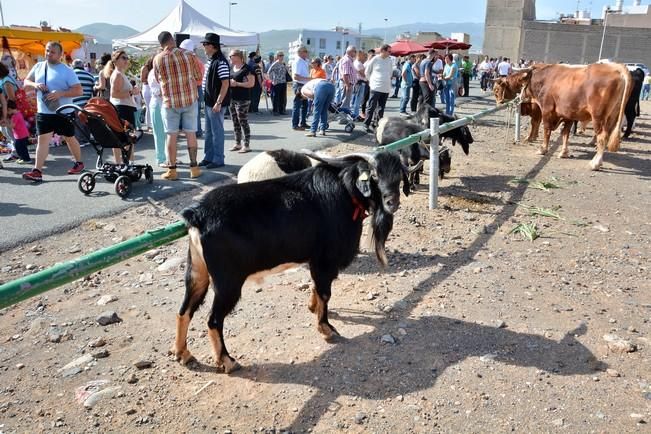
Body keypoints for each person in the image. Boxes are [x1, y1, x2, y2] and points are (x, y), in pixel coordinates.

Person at [21, 41, 84, 182]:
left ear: (60, 55)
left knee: (69, 138)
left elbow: (79, 90)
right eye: (47, 50)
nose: (48, 54)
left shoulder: (67, 70)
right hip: (44, 112)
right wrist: (34, 84)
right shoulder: (38, 66)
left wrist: (60, 93)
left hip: (63, 112)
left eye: (52, 52)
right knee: (42, 141)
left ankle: (79, 162)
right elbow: (26, 82)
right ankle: (37, 171)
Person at [153, 31, 204, 180]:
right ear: (173, 40)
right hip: (189, 99)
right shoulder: (189, 55)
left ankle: (172, 170)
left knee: (171, 135)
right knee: (191, 133)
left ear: (161, 44)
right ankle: (194, 168)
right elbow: (198, 76)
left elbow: (157, 79)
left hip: (170, 102)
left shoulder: (157, 59)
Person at [199, 32, 230, 169]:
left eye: (205, 44)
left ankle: (218, 159)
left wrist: (218, 102)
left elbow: (225, 84)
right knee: (209, 132)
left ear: (212, 46)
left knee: (216, 132)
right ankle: (209, 157)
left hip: (215, 103)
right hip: (209, 102)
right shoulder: (212, 60)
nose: (203, 47)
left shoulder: (220, 62)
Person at [109, 50, 139, 163]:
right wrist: (132, 92)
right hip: (122, 108)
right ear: (115, 61)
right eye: (123, 58)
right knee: (127, 137)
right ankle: (127, 163)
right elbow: (114, 94)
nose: (126, 60)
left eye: (127, 58)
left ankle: (122, 163)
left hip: (123, 107)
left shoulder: (120, 74)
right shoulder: (117, 74)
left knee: (122, 137)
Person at [228, 49, 254, 153]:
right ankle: (238, 143)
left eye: (231, 56)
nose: (230, 58)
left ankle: (246, 145)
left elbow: (251, 83)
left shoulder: (247, 68)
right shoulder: (231, 67)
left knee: (243, 121)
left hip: (243, 99)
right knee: (235, 121)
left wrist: (237, 84)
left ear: (238, 56)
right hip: (232, 98)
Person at [363, 44, 393, 133]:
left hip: (386, 87)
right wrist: (371, 82)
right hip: (375, 86)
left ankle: (377, 124)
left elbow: (390, 73)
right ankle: (366, 124)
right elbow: (367, 72)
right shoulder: (375, 59)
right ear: (383, 51)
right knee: (371, 106)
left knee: (381, 108)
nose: (390, 53)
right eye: (389, 51)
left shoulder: (389, 61)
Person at [180, 38, 205, 138]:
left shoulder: (193, 61)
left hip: (194, 88)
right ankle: (196, 130)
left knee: (194, 111)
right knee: (194, 111)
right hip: (195, 87)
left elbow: (198, 78)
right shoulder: (197, 60)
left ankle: (196, 130)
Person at [71, 58, 95, 147]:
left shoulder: (71, 75)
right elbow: (94, 90)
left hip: (75, 102)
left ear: (73, 66)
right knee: (86, 121)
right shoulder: (90, 75)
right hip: (88, 103)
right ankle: (87, 139)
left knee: (77, 122)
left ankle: (80, 141)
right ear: (82, 66)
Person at [147, 65, 167, 166]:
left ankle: (170, 157)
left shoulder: (166, 70)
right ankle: (161, 158)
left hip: (166, 105)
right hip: (157, 105)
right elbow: (157, 91)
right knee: (159, 133)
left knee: (168, 133)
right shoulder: (153, 73)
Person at [291, 46, 310, 131]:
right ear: (300, 52)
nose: (307, 53)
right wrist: (309, 79)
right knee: (297, 105)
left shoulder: (304, 61)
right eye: (305, 51)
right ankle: (295, 125)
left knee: (305, 105)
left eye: (306, 51)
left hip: (304, 85)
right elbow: (296, 76)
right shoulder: (298, 61)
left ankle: (303, 122)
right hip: (299, 85)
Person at [266, 51, 289, 115]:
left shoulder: (283, 63)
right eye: (280, 55)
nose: (281, 57)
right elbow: (269, 72)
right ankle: (275, 110)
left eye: (282, 55)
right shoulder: (274, 64)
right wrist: (272, 80)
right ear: (277, 56)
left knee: (282, 97)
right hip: (277, 82)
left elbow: (286, 72)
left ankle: (282, 110)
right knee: (276, 97)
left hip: (283, 82)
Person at [338, 46, 357, 111]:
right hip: (347, 83)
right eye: (355, 51)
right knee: (345, 103)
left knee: (346, 102)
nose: (355, 53)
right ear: (350, 52)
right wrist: (348, 85)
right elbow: (345, 74)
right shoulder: (347, 60)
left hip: (347, 83)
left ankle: (344, 118)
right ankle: (342, 118)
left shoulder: (349, 60)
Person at [351, 50, 367, 121]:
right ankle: (355, 115)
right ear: (359, 55)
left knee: (356, 100)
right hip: (360, 83)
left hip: (358, 82)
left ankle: (355, 115)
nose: (364, 57)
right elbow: (363, 74)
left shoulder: (356, 62)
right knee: (357, 100)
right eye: (363, 55)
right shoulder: (358, 63)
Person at [140, 56, 154, 130]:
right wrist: (151, 80)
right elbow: (142, 79)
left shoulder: (154, 68)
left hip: (152, 87)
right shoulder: (145, 68)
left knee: (153, 106)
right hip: (147, 88)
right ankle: (148, 124)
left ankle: (152, 123)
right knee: (149, 106)